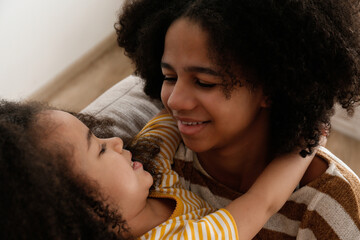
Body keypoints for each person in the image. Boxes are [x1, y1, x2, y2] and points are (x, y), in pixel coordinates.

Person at [112, 0, 360, 238]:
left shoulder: (330, 206)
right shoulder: (152, 168)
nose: (174, 101)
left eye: (204, 82)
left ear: (270, 88)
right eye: (169, 77)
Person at [0, 99, 316, 239]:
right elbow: (262, 203)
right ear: (75, 212)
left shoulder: (150, 168)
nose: (114, 141)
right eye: (97, 148)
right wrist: (310, 143)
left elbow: (172, 112)